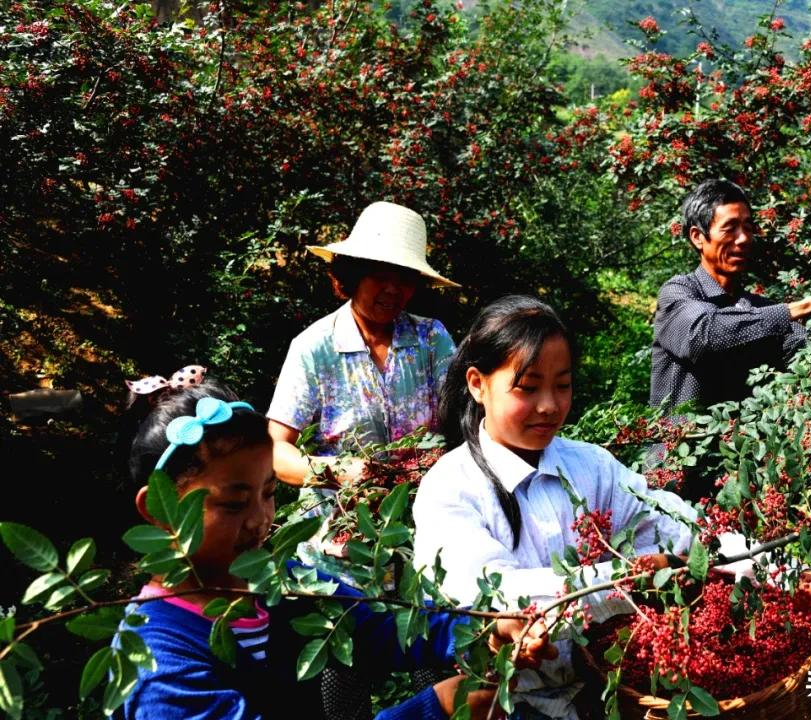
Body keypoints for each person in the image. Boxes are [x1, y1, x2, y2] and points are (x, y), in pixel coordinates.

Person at [119, 379, 551, 720]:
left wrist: (486, 629)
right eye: (233, 503)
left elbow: (383, 625)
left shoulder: (280, 583)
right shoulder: (158, 660)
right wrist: (432, 710)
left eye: (268, 493)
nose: (259, 521)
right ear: (158, 510)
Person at [412, 296, 757, 719]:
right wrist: (633, 577)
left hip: (602, 696)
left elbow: (679, 527)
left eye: (562, 384)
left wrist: (773, 566)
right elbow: (495, 597)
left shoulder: (591, 467)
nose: (549, 405)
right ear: (477, 383)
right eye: (528, 386)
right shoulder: (450, 488)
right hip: (501, 704)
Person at [266, 201, 458, 569]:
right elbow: (276, 451)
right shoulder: (315, 347)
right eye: (379, 274)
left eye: (404, 277)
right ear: (352, 274)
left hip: (422, 528)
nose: (392, 289)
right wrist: (340, 472)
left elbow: (465, 425)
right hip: (336, 538)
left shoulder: (431, 339)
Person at [650, 178, 811, 409]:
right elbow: (703, 336)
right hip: (681, 444)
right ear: (698, 237)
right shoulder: (678, 293)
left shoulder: (759, 309)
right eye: (730, 228)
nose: (743, 239)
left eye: (748, 228)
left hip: (743, 444)